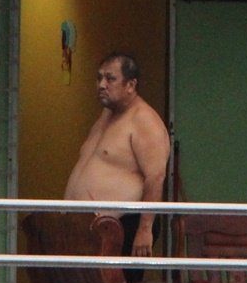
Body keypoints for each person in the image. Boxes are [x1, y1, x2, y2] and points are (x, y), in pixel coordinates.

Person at [63, 53, 170, 265]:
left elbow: (156, 177)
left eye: (110, 79)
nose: (102, 85)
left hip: (122, 227)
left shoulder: (144, 120)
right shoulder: (106, 117)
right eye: (99, 78)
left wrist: (144, 230)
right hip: (85, 231)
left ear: (130, 85)